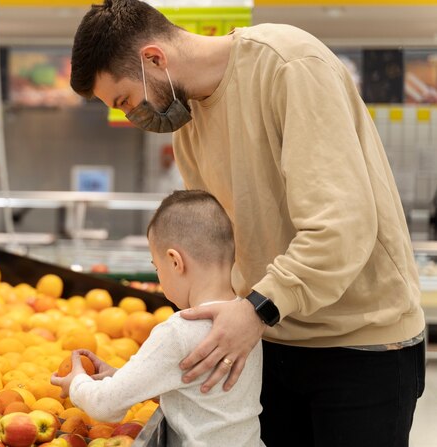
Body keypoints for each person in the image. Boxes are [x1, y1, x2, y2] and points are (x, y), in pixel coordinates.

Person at [69, 1, 426, 446]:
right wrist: (144, 374)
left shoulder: (288, 65)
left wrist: (259, 308)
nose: (131, 117)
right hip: (268, 341)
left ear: (154, 59)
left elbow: (342, 226)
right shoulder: (189, 126)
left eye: (126, 100)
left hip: (360, 345)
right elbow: (216, 251)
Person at [52, 190, 264, 447]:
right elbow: (200, 395)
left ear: (175, 262)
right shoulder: (244, 324)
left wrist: (76, 383)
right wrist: (121, 376)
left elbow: (104, 405)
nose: (160, 280)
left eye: (157, 268)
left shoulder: (178, 330)